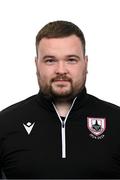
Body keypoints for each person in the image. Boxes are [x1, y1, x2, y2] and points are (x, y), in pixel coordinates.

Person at [0, 20, 120, 179]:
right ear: (37, 65)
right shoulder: (5, 123)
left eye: (71, 60)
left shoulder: (116, 121)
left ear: (85, 63)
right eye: (50, 60)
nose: (61, 70)